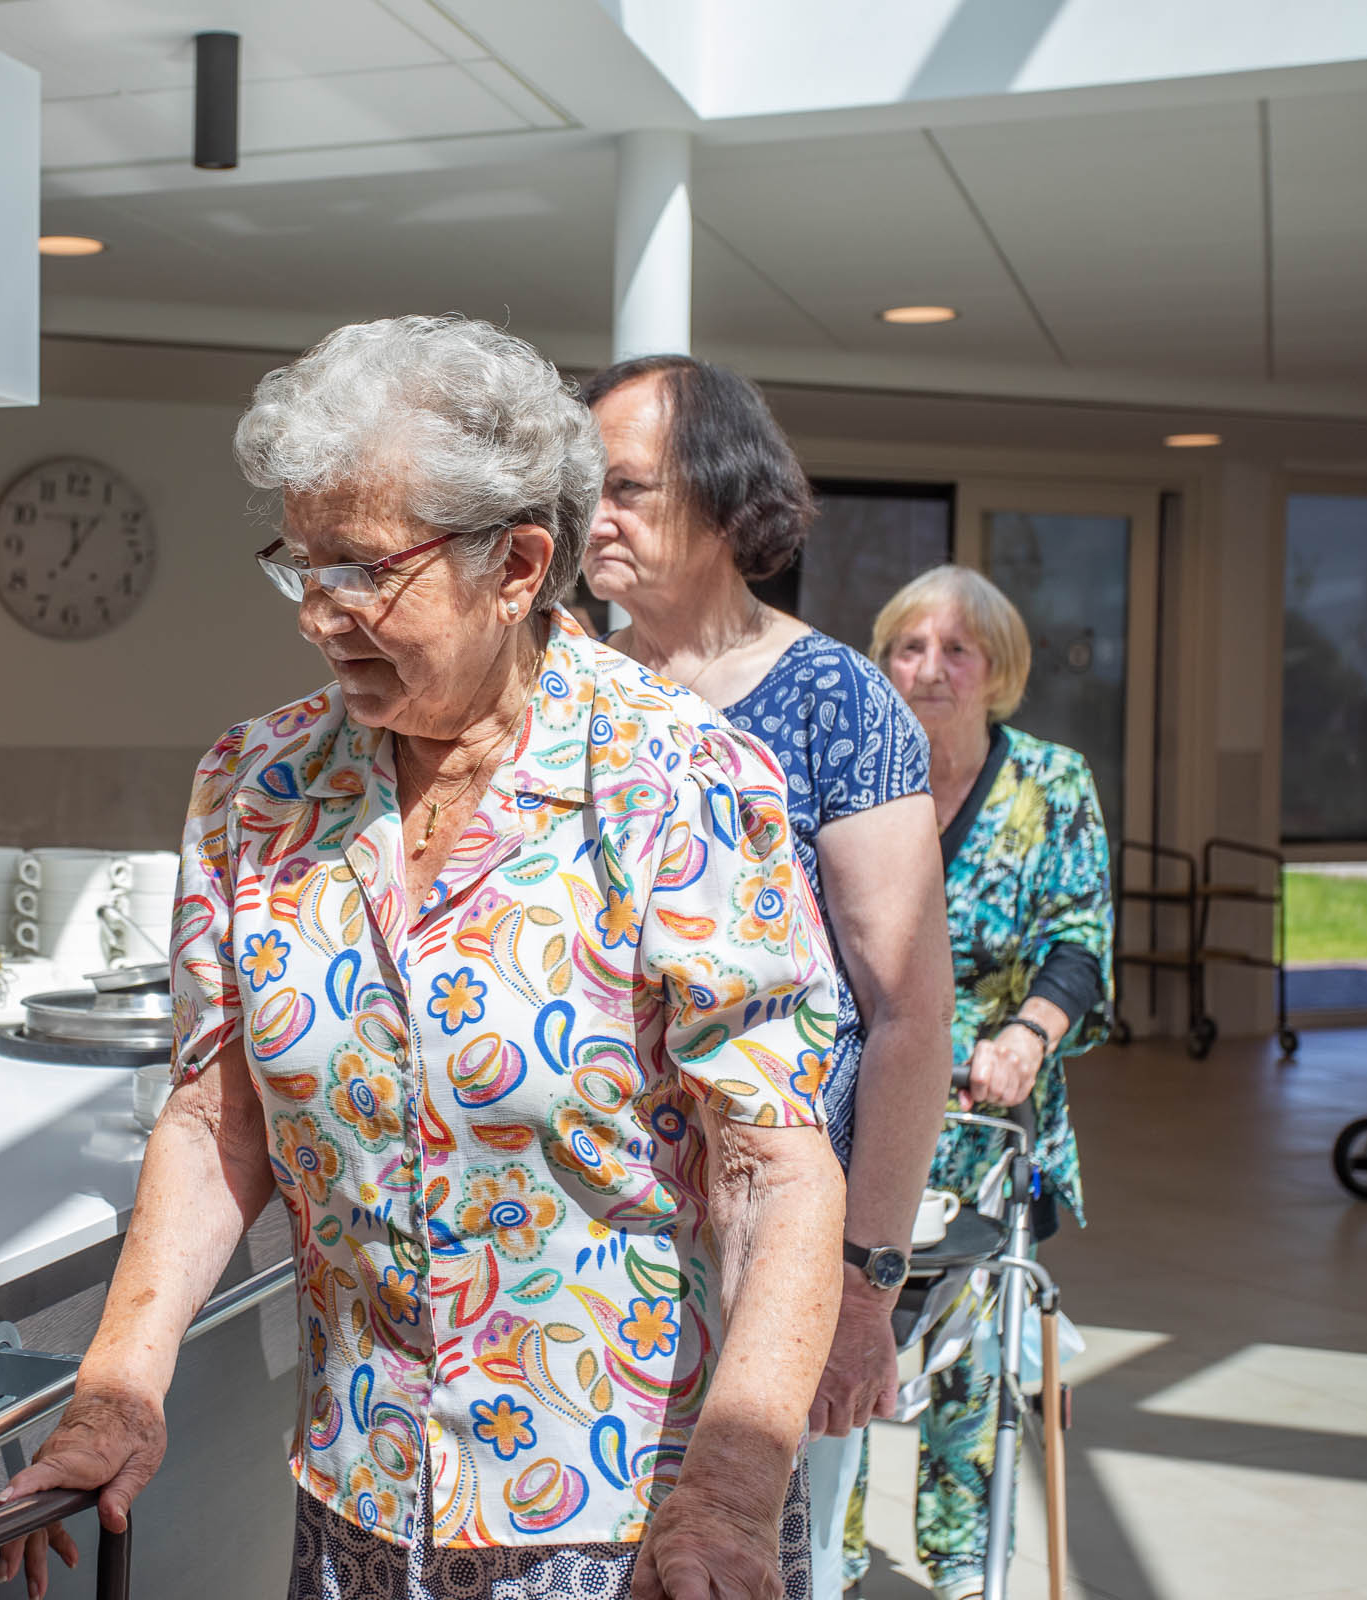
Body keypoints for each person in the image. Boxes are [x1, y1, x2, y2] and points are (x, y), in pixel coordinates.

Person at [0, 316, 846, 1600]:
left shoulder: (682, 779)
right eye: (301, 562)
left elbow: (772, 1166)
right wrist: (119, 1387)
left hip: (630, 1524)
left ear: (517, 564)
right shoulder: (256, 783)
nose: (319, 613)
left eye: (363, 570)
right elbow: (216, 1113)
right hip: (359, 1503)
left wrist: (733, 1488)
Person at [575, 356, 955, 1593]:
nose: (595, 517)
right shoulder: (563, 685)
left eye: (627, 486)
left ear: (729, 505)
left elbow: (906, 1014)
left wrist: (864, 1286)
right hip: (581, 1255)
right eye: (584, 488)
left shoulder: (835, 702)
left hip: (763, 1248)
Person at [853, 565, 1111, 1599]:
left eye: (956, 650)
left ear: (997, 669)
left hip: (992, 1117)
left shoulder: (1051, 783)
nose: (930, 669)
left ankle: (967, 1565)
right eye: (909, 647)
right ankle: (826, 1554)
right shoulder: (859, 773)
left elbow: (1079, 942)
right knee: (843, 1336)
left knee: (974, 1366)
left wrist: (1027, 1037)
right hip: (864, 1110)